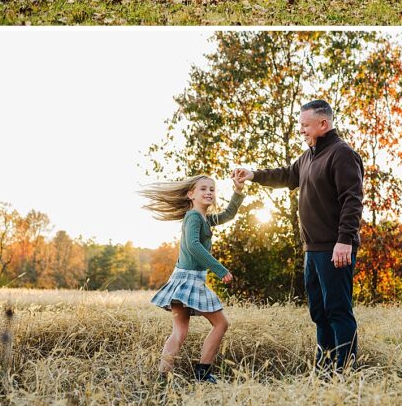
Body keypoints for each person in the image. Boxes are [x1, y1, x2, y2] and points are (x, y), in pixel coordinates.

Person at [234, 99, 364, 373]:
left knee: (338, 310)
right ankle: (325, 368)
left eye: (305, 125)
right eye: (300, 125)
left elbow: (352, 200)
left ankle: (346, 371)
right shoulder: (308, 157)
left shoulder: (341, 154)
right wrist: (253, 174)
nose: (301, 130)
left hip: (335, 247)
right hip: (312, 249)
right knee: (319, 311)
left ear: (323, 124)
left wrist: (344, 240)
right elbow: (286, 175)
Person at [141, 173, 245, 383]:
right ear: (191, 194)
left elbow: (228, 215)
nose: (209, 192)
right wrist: (220, 269)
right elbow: (193, 245)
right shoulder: (194, 217)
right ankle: (202, 373)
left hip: (183, 279)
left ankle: (163, 377)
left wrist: (238, 191)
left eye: (212, 189)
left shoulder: (204, 218)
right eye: (203, 189)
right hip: (188, 280)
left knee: (180, 332)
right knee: (221, 324)